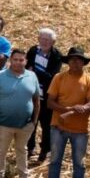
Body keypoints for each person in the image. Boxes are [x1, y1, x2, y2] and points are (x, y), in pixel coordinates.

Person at [46, 46, 90, 178]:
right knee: (55, 161)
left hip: (80, 130)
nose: (75, 62)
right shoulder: (58, 78)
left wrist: (84, 108)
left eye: (78, 59)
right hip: (58, 127)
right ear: (68, 62)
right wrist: (67, 109)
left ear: (83, 63)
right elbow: (50, 103)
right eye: (72, 59)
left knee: (79, 164)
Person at [0, 49, 41, 178]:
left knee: (22, 150)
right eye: (15, 59)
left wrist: (34, 121)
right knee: (1, 151)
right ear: (11, 60)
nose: (18, 62)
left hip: (25, 124)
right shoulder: (0, 76)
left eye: (21, 60)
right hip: (4, 124)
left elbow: (36, 99)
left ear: (26, 61)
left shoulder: (32, 76)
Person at [26, 28, 64, 164]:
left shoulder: (57, 56)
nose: (44, 42)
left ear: (53, 41)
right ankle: (30, 148)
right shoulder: (32, 51)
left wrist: (35, 71)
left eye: (47, 40)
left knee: (46, 125)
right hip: (32, 94)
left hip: (47, 96)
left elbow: (52, 77)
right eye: (42, 38)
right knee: (31, 122)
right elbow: (26, 69)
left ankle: (44, 150)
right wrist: (35, 73)